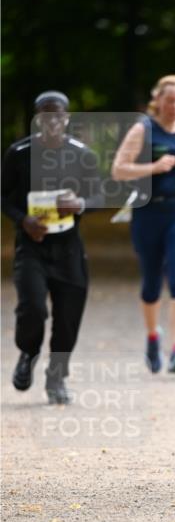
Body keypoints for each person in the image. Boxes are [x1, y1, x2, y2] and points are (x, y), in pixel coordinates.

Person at [1, 90, 100, 403]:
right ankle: (28, 353)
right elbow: (3, 196)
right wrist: (23, 220)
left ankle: (56, 377)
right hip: (31, 246)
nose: (52, 121)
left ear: (67, 118)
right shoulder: (19, 152)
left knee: (68, 315)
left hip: (69, 247)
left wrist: (81, 203)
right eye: (45, 115)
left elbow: (99, 196)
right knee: (32, 307)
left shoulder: (83, 155)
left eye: (58, 115)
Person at [111, 75, 175, 374]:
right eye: (170, 101)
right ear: (158, 101)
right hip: (148, 212)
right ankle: (153, 336)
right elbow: (118, 170)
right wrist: (152, 167)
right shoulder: (144, 128)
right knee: (152, 282)